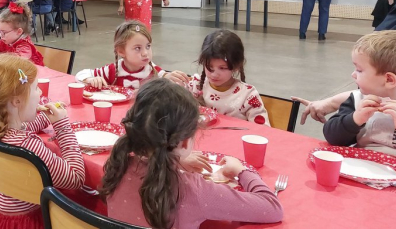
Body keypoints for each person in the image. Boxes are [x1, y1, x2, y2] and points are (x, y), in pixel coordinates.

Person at [101, 79, 283, 229]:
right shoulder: (192, 190)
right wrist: (242, 171)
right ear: (185, 142)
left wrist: (175, 160)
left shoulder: (116, 166)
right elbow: (272, 208)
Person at [0, 55, 85, 228]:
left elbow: (21, 128)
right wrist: (62, 126)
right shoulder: (28, 146)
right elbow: (75, 179)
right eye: (36, 88)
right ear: (17, 101)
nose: (40, 93)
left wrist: (46, 118)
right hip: (26, 222)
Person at [322, 31, 396, 162]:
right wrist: (355, 119)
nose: (353, 74)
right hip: (360, 167)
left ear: (389, 79)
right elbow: (332, 137)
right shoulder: (359, 99)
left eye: (359, 70)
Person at [182, 30, 270, 126]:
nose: (214, 75)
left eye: (222, 68)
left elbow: (263, 130)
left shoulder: (248, 96)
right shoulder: (195, 85)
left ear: (236, 66)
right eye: (209, 67)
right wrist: (171, 81)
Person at [75, 21, 188, 88]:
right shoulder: (113, 70)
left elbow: (167, 81)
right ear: (121, 51)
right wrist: (90, 79)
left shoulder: (153, 72)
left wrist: (169, 77)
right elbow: (81, 74)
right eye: (137, 48)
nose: (145, 53)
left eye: (148, 46)